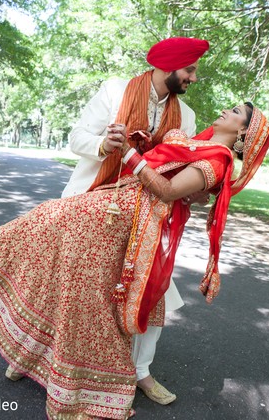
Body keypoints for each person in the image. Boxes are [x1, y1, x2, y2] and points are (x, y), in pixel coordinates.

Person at [0, 102, 269, 420]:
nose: (224, 111)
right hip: (116, 203)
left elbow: (167, 192)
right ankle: (31, 353)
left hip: (129, 221)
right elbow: (167, 173)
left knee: (60, 248)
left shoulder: (217, 159)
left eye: (234, 113)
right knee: (57, 263)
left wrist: (128, 154)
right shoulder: (197, 143)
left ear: (243, 134)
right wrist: (140, 148)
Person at [61, 36, 209, 404]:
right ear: (168, 66)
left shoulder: (186, 117)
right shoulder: (116, 91)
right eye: (190, 70)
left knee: (155, 290)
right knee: (71, 284)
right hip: (94, 198)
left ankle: (140, 371)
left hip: (144, 213)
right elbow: (76, 137)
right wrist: (103, 145)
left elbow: (177, 171)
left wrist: (194, 187)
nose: (193, 78)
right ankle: (34, 351)